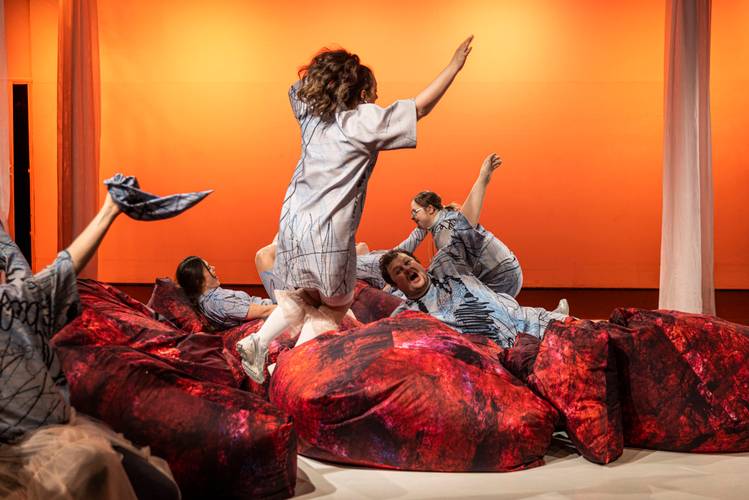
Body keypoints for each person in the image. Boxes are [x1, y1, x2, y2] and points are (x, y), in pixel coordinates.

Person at [237, 36, 475, 383]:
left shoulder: (312, 113)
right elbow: (419, 108)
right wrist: (454, 66)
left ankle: (258, 343)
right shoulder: (362, 120)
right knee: (335, 306)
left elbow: (302, 86)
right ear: (361, 93)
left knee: (302, 295)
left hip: (290, 223)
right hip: (328, 231)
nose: (376, 99)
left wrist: (335, 70)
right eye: (373, 93)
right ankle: (283, 367)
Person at [0, 194, 179, 499]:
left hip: (61, 429)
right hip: (20, 453)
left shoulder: (15, 300)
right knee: (94, 465)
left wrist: (110, 209)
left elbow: (63, 267)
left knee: (162, 488)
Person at [379, 209, 569, 349]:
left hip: (529, 321)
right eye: (398, 271)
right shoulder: (405, 315)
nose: (406, 269)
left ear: (420, 264)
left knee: (583, 332)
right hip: (507, 353)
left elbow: (464, 228)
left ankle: (556, 317)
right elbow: (383, 345)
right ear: (395, 284)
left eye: (408, 262)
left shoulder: (444, 262)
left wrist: (484, 176)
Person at [409, 153, 525, 298]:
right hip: (504, 270)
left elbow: (455, 270)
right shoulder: (446, 220)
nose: (412, 217)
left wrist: (483, 178)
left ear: (430, 209)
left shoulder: (444, 230)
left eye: (415, 212)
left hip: (499, 275)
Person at [176, 256, 276, 329]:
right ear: (199, 281)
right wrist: (284, 306)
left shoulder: (208, 299)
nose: (213, 267)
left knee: (272, 248)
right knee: (263, 255)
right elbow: (264, 311)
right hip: (275, 313)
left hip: (272, 306)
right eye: (209, 268)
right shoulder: (218, 301)